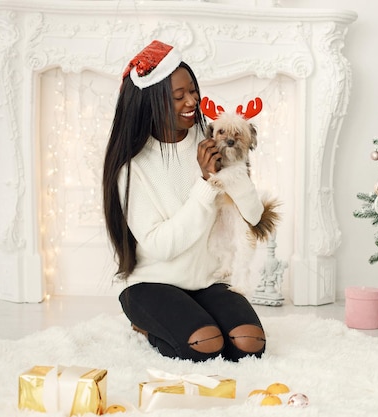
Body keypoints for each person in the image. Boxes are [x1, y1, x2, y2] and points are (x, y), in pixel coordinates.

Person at [102, 40, 266, 362]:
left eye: (193, 91)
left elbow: (254, 213)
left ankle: (194, 317)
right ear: (153, 102)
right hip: (153, 283)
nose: (193, 101)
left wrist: (234, 167)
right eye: (179, 97)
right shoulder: (133, 166)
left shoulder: (213, 137)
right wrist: (205, 185)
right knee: (205, 346)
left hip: (207, 281)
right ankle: (147, 325)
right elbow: (162, 246)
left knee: (249, 344)